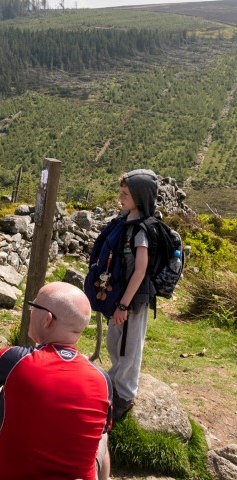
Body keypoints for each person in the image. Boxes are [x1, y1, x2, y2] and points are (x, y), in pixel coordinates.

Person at [0, 282, 112, 480]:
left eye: (33, 306)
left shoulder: (16, 359)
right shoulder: (102, 378)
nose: (30, 311)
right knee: (102, 433)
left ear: (47, 319)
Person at [107, 168, 158, 419]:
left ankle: (125, 396)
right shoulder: (127, 221)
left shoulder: (141, 230)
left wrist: (124, 305)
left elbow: (140, 271)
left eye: (125, 194)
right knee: (115, 342)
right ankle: (114, 383)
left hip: (134, 299)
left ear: (139, 196)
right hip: (122, 294)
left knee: (129, 346)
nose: (121, 197)